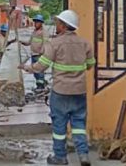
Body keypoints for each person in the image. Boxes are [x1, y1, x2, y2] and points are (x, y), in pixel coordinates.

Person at [20, 9, 95, 166]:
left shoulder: (54, 44)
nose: (56, 25)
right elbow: (90, 66)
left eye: (58, 23)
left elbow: (41, 67)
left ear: (64, 25)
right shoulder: (85, 43)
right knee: (79, 125)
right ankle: (83, 155)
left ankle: (60, 157)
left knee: (59, 125)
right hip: (79, 92)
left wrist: (27, 67)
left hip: (60, 91)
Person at [20, 14, 48, 90]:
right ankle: (39, 84)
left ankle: (40, 87)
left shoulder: (43, 32)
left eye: (37, 22)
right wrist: (21, 42)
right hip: (33, 54)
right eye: (35, 22)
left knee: (39, 72)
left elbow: (45, 44)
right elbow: (29, 42)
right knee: (35, 72)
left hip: (39, 55)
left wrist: (42, 53)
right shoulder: (34, 32)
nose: (35, 24)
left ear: (41, 23)